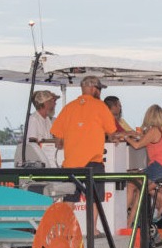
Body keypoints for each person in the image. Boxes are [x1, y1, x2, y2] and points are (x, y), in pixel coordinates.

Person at [50, 75, 121, 205]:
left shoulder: (68, 108)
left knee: (69, 199)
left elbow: (58, 141)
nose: (100, 92)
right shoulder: (100, 106)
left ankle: (67, 225)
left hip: (71, 163)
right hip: (93, 163)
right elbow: (112, 134)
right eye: (99, 89)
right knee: (95, 201)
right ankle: (93, 226)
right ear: (94, 89)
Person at [122, 104, 162, 225]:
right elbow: (150, 140)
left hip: (160, 166)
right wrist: (137, 136)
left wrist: (125, 136)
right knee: (140, 190)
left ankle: (121, 218)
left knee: (131, 185)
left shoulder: (154, 130)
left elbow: (137, 146)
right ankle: (129, 222)